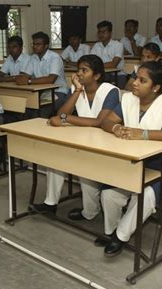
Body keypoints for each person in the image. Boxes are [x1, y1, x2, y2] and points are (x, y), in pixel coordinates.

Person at [100, 61, 162, 257]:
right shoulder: (129, 99)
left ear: (155, 87)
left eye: (142, 80)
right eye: (136, 78)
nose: (134, 83)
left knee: (146, 195)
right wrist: (116, 128)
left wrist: (143, 134)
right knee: (108, 194)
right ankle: (112, 232)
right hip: (137, 159)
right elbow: (107, 121)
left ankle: (120, 237)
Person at [33, 55, 120, 215]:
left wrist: (67, 119)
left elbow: (100, 122)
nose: (79, 73)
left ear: (97, 75)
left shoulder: (111, 91)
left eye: (84, 70)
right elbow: (61, 113)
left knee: (84, 169)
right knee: (55, 159)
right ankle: (50, 203)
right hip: (82, 138)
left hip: (106, 143)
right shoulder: (76, 89)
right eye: (78, 69)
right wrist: (78, 90)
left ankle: (90, 211)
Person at [16, 31, 69, 114]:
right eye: (33, 44)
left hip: (58, 92)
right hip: (41, 92)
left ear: (46, 46)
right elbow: (25, 75)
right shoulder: (33, 57)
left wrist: (28, 81)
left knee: (43, 110)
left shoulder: (54, 57)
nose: (35, 47)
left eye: (38, 44)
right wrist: (21, 78)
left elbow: (51, 79)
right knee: (25, 108)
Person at [90, 20, 126, 87]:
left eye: (104, 32)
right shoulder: (96, 45)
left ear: (110, 33)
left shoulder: (118, 45)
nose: (101, 35)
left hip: (117, 75)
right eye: (99, 32)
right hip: (101, 75)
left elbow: (113, 64)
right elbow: (91, 62)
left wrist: (96, 66)